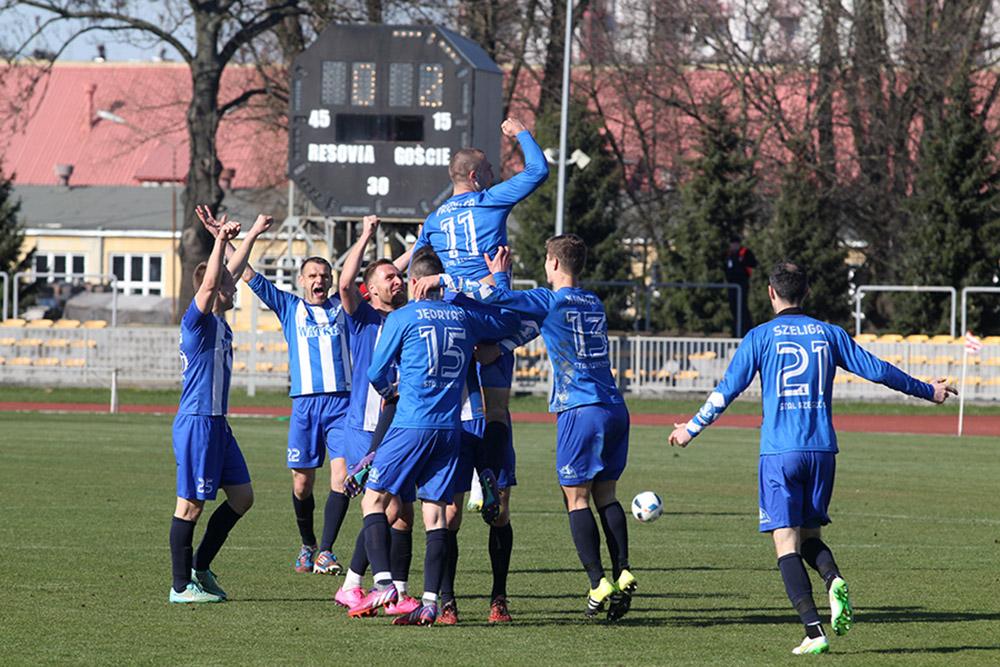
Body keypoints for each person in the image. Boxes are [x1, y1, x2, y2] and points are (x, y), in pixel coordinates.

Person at [668, 261, 957, 655]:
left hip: (780, 452)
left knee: (785, 542)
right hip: (822, 451)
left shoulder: (760, 337)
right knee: (809, 538)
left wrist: (690, 429)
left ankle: (813, 630)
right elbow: (879, 371)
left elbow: (726, 391)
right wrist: (928, 390)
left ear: (771, 292)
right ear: (806, 293)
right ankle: (832, 577)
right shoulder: (829, 334)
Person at [414, 234, 637, 621]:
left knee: (577, 498)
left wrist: (453, 279)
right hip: (616, 407)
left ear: (552, 263)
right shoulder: (593, 302)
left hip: (579, 408)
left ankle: (598, 581)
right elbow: (535, 328)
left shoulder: (549, 299)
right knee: (608, 496)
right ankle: (623, 571)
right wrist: (501, 348)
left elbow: (500, 301)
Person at [348, 250, 518, 625]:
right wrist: (500, 279)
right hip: (451, 428)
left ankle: (384, 584)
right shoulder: (464, 317)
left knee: (373, 500)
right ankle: (429, 602)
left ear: (414, 283)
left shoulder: (403, 316)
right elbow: (505, 317)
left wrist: (392, 391)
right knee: (437, 515)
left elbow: (376, 372)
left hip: (411, 424)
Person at [196, 205, 352, 576]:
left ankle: (326, 551)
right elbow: (248, 274)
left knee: (341, 478)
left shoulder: (345, 307)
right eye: (313, 275)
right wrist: (224, 239)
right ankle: (308, 544)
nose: (320, 280)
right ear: (301, 280)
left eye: (325, 275)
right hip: (304, 405)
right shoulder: (290, 307)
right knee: (302, 483)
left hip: (343, 404)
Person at [412, 117, 548, 525]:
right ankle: (490, 477)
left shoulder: (434, 221)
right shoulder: (489, 200)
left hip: (455, 322)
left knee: (446, 408)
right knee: (498, 412)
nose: (495, 176)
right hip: (494, 315)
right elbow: (538, 170)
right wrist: (521, 131)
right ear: (475, 176)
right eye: (490, 171)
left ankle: (448, 480)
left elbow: (417, 270)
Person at [168, 213, 268, 603]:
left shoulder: (221, 322)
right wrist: (218, 243)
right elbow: (212, 281)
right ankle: (180, 587)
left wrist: (252, 233)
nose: (234, 285)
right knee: (190, 505)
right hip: (197, 423)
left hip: (218, 426)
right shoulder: (197, 322)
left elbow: (227, 272)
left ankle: (201, 567)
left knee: (242, 498)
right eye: (229, 284)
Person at [333, 214, 420, 616]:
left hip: (402, 426)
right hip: (367, 428)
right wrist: (367, 234)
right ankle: (382, 590)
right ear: (371, 290)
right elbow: (346, 283)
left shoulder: (412, 316)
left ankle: (363, 587)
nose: (397, 280)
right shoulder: (364, 316)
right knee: (384, 505)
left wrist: (417, 248)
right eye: (388, 277)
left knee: (400, 510)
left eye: (398, 274)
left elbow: (399, 273)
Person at [724, 236, 757, 337]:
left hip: (742, 284)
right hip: (731, 284)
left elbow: (753, 263)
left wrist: (743, 263)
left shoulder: (745, 252)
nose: (733, 246)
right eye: (732, 244)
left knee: (742, 307)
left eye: (735, 244)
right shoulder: (728, 254)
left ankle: (746, 329)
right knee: (733, 307)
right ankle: (735, 330)